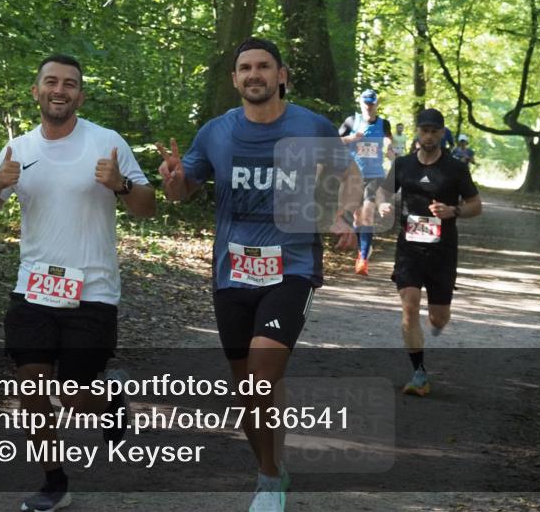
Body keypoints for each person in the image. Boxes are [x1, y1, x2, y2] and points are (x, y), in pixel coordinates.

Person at [156, 38, 358, 512]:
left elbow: (348, 173)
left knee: (263, 373)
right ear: (234, 79)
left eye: (263, 67)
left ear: (281, 75)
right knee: (246, 386)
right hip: (233, 272)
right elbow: (182, 193)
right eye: (245, 67)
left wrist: (346, 215)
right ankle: (272, 465)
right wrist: (173, 182)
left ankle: (268, 481)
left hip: (292, 266)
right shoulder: (215, 132)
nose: (254, 75)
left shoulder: (311, 126)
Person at [0, 54, 155, 512]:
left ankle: (109, 400)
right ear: (36, 91)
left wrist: (122, 186)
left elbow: (147, 207)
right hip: (33, 287)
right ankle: (53, 481)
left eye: (69, 84)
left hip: (92, 290)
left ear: (80, 95)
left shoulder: (106, 142)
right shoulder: (19, 149)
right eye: (50, 82)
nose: (59, 90)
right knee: (31, 389)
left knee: (73, 392)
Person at [378, 108, 482, 397]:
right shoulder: (403, 165)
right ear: (417, 132)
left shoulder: (455, 169)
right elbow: (384, 192)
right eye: (424, 130)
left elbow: (476, 205)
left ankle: (436, 325)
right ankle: (419, 373)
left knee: (438, 318)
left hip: (443, 252)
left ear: (441, 133)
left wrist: (454, 210)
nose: (429, 135)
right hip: (409, 248)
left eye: (434, 130)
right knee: (409, 307)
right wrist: (383, 204)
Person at [338, 89, 393, 275]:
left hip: (374, 175)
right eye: (365, 103)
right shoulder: (351, 121)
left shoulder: (383, 124)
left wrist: (389, 148)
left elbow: (389, 141)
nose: (368, 107)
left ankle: (362, 258)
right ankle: (362, 245)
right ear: (360, 103)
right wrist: (350, 138)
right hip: (353, 175)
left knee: (368, 214)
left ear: (377, 104)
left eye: (372, 103)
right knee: (357, 217)